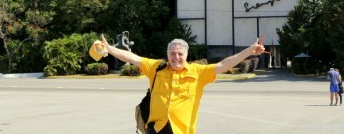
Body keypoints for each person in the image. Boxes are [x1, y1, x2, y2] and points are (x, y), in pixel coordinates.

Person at [100, 34, 265, 134]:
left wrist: (249, 51)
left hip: (182, 130)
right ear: (167, 54)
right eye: (172, 54)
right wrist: (109, 49)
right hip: (156, 129)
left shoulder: (197, 72)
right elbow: (132, 58)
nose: (176, 57)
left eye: (180, 54)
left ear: (186, 54)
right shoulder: (156, 68)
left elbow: (224, 65)